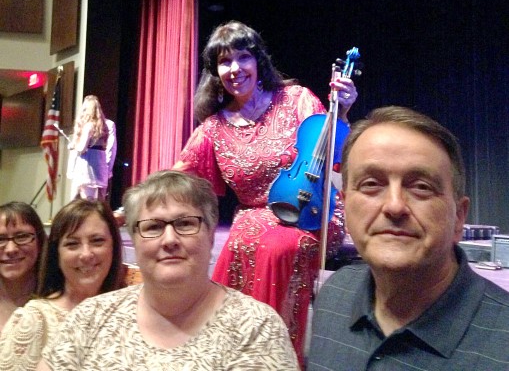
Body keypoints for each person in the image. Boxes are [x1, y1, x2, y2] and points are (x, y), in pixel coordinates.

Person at [172, 20, 358, 363]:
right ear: (214, 72)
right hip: (252, 216)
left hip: (310, 210)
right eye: (224, 62)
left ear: (258, 61)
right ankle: (232, 356)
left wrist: (341, 110)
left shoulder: (296, 99)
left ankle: (273, 358)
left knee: (275, 248)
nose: (234, 69)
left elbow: (331, 152)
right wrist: (138, 206)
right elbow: (179, 176)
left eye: (243, 58)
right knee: (234, 247)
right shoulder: (213, 128)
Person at [308, 106, 509, 370]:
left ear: (459, 217)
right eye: (371, 184)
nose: (394, 206)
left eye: (420, 187)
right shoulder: (333, 296)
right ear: (344, 206)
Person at [36, 170, 299, 370]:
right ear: (134, 240)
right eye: (153, 227)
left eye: (185, 224)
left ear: (210, 236)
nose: (169, 239)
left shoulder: (257, 327)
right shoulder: (89, 318)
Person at [0, 199, 125, 370]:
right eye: (72, 244)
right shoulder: (35, 319)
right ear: (56, 253)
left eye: (97, 241)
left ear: (114, 246)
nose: (86, 254)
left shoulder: (134, 311)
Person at [0, 202, 45, 333]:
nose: (11, 249)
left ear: (40, 242)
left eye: (22, 236)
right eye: (0, 239)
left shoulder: (58, 303)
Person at [67, 95, 109, 200]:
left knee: (87, 201)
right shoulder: (103, 127)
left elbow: (81, 148)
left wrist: (73, 145)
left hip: (88, 167)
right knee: (99, 201)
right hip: (99, 165)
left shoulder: (89, 126)